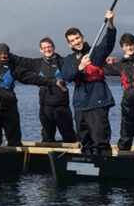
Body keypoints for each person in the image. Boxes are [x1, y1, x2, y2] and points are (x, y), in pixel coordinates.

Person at [48, 12, 116, 159]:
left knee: (100, 138)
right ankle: (86, 165)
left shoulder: (96, 53)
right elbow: (67, 77)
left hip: (97, 99)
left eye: (77, 38)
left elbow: (108, 43)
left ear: (82, 37)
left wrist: (110, 23)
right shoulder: (69, 60)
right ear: (69, 44)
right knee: (84, 139)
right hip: (80, 103)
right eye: (72, 40)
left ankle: (104, 164)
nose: (76, 42)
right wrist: (80, 66)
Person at [16, 36, 77, 143]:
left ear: (53, 47)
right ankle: (48, 157)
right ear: (41, 50)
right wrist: (3, 54)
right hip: (45, 105)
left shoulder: (63, 62)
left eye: (49, 47)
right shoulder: (37, 63)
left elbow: (79, 60)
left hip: (61, 105)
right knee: (47, 135)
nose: (47, 50)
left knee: (68, 134)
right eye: (44, 48)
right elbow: (19, 60)